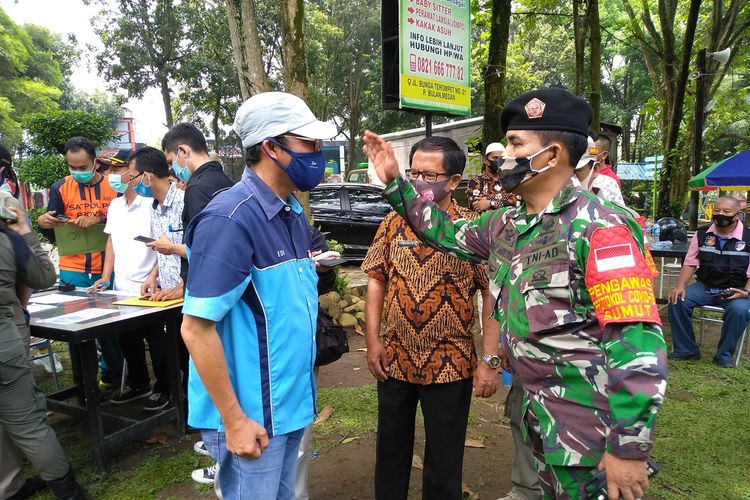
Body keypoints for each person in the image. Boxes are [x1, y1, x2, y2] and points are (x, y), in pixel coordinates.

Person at [363, 87, 667, 499]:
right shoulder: (507, 223)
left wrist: (629, 447)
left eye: (515, 144)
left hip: (589, 432)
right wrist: (396, 183)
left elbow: (637, 344)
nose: (503, 156)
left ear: (553, 156)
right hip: (538, 418)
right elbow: (444, 232)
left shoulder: (602, 230)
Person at [180, 91, 337, 500]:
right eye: (309, 144)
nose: (318, 154)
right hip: (252, 418)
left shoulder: (291, 212)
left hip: (289, 406)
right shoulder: (230, 218)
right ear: (271, 147)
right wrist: (233, 421)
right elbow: (196, 329)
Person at [361, 136, 499, 500]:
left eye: (429, 174)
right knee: (390, 450)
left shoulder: (473, 231)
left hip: (450, 363)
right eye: (414, 172)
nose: (419, 180)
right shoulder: (394, 221)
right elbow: (375, 279)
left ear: (454, 181)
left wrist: (489, 359)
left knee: (444, 456)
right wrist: (373, 341)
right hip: (395, 359)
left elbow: (491, 295)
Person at [0, 191, 86, 499]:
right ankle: (68, 492)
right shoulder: (8, 238)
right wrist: (24, 232)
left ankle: (8, 489)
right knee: (29, 424)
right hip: (4, 345)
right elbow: (44, 275)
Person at [37, 136, 123, 388]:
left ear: (95, 163)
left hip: (108, 266)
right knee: (76, 328)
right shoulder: (60, 188)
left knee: (112, 327)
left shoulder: (114, 186)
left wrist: (99, 218)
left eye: (83, 167)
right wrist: (44, 223)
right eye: (72, 167)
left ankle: (114, 376)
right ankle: (84, 383)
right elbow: (54, 225)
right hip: (72, 267)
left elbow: (126, 220)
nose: (77, 172)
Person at [88, 151, 168, 410]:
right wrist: (105, 276)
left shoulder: (151, 206)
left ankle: (166, 388)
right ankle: (138, 383)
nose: (113, 175)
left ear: (136, 175)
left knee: (156, 342)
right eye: (109, 170)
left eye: (119, 169)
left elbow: (162, 244)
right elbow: (111, 241)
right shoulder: (115, 205)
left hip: (148, 288)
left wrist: (153, 275)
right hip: (121, 287)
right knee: (128, 340)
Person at [668, 196, 750, 367]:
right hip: (706, 286)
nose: (721, 214)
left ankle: (724, 355)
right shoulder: (702, 234)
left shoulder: (748, 237)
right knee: (678, 300)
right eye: (717, 210)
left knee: (739, 310)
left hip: (737, 290)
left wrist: (746, 292)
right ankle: (686, 349)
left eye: (727, 211)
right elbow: (690, 262)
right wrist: (679, 286)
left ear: (737, 215)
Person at [467, 142, 519, 211]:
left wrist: (491, 203)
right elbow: (478, 206)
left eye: (502, 158)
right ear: (485, 160)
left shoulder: (511, 179)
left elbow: (517, 202)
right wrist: (505, 201)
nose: (499, 161)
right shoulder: (475, 182)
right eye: (495, 158)